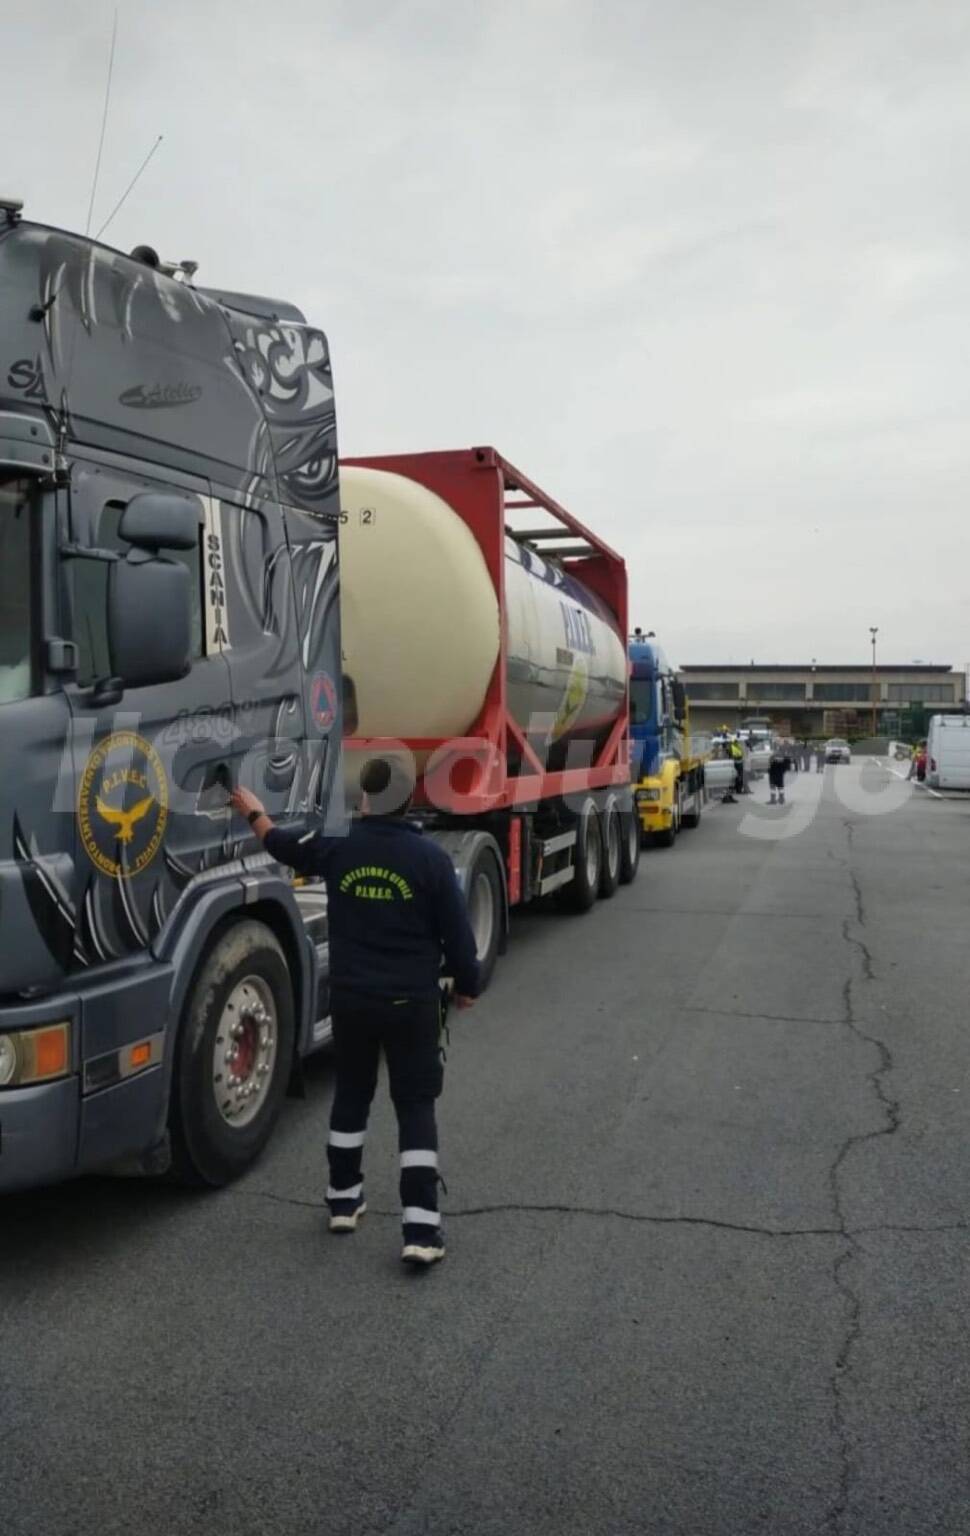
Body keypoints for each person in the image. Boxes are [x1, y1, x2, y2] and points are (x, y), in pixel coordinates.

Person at [229, 758, 480, 1268]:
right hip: (411, 1004)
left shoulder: (339, 847)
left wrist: (254, 813)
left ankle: (343, 1199)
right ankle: (421, 1229)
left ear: (364, 799)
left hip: (352, 1000)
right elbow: (460, 940)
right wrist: (467, 986)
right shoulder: (430, 861)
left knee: (351, 1096)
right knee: (414, 1107)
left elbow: (281, 846)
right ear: (409, 801)